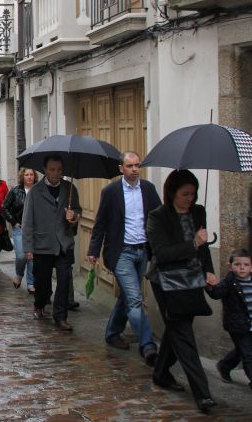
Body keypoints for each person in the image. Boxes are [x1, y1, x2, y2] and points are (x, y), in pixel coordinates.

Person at [146, 169, 218, 412]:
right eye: (185, 194)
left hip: (192, 280)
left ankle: (160, 372)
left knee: (176, 330)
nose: (190, 198)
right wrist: (193, 244)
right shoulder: (158, 217)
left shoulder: (198, 212)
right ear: (172, 193)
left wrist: (208, 270)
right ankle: (203, 393)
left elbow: (204, 248)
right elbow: (162, 254)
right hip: (166, 282)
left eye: (193, 194)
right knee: (183, 334)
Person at [86, 151, 161, 365]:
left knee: (128, 296)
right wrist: (93, 250)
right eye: (130, 166)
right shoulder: (111, 191)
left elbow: (158, 216)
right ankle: (148, 346)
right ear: (121, 168)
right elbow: (100, 223)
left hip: (143, 250)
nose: (135, 169)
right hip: (121, 252)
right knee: (135, 299)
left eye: (137, 165)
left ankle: (112, 333)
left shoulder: (148, 189)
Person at [22, 154, 82, 331]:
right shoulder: (35, 191)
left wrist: (74, 217)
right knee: (43, 282)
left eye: (59, 170)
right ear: (45, 170)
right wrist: (28, 248)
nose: (56, 173)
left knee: (64, 280)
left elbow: (78, 210)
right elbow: (27, 221)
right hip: (42, 244)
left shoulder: (70, 189)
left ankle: (60, 316)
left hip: (64, 243)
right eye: (52, 170)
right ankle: (39, 304)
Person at [208, 249, 252, 390]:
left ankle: (224, 365)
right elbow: (216, 294)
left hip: (250, 324)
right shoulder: (228, 282)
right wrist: (209, 286)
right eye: (237, 264)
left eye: (246, 265)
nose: (242, 267)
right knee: (248, 353)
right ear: (230, 266)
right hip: (237, 326)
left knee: (242, 350)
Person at [2, 168, 38, 293]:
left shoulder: (38, 191)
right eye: (26, 175)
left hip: (35, 229)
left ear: (34, 176)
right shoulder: (15, 191)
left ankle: (31, 283)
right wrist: (13, 222)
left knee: (31, 257)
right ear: (22, 177)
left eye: (31, 174)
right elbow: (4, 208)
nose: (29, 177)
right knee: (22, 256)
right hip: (19, 228)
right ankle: (19, 274)